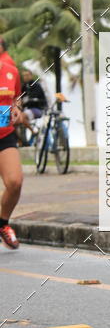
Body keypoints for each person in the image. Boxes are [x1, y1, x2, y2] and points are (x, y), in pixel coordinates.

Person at [0, 37, 24, 249]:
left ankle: (3, 223)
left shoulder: (11, 71)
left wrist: (17, 110)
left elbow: (15, 99)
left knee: (15, 182)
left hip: (4, 133)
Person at [20, 68, 48, 132]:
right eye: (24, 75)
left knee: (22, 116)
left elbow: (34, 98)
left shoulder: (36, 85)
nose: (25, 77)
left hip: (37, 109)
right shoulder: (24, 86)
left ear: (31, 75)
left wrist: (25, 102)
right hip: (26, 109)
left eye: (27, 75)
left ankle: (33, 132)